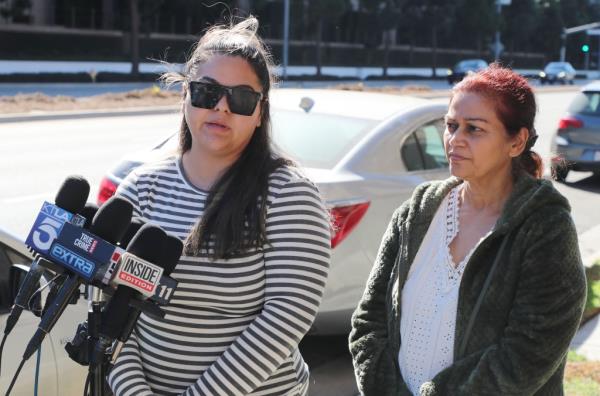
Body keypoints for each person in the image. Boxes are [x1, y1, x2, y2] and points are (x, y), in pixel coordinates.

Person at [108, 17, 331, 396]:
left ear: (260, 113)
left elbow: (285, 318)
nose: (222, 107)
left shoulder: (290, 195)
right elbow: (109, 307)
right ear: (185, 97)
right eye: (207, 92)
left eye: (241, 98)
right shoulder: (142, 187)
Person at [349, 64, 587, 396]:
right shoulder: (416, 214)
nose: (455, 140)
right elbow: (369, 322)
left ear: (516, 142)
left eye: (474, 129)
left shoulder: (545, 227)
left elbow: (527, 354)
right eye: (451, 126)